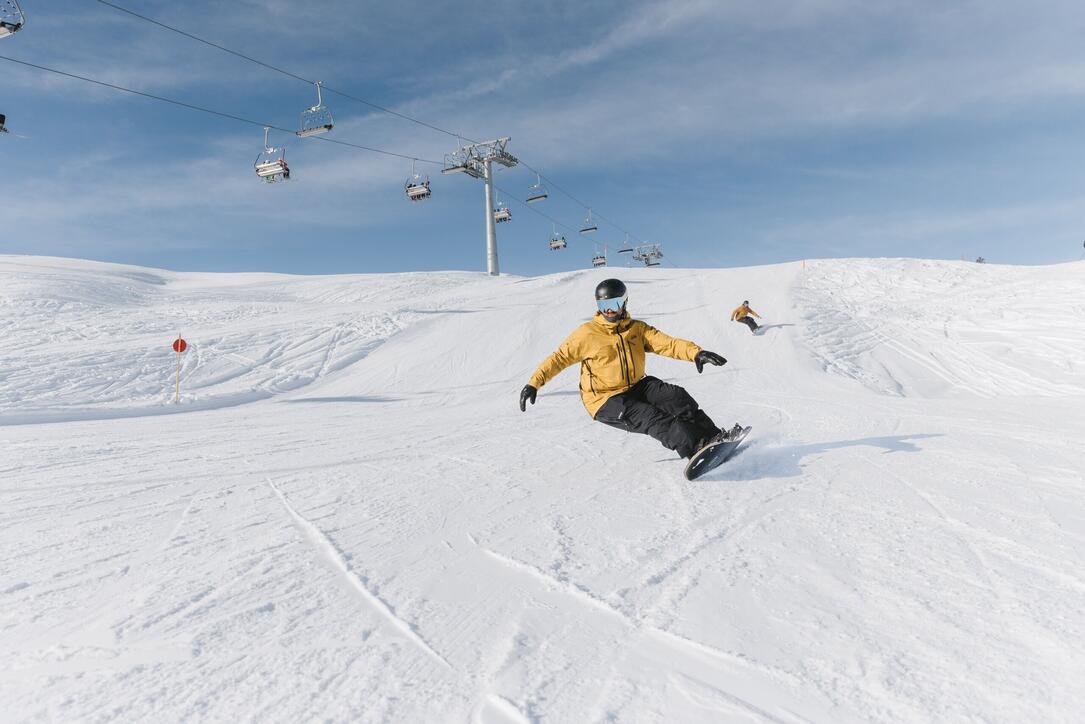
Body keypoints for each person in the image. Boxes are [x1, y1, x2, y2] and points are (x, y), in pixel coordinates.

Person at [519, 278, 743, 461]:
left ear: (624, 302)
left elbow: (667, 344)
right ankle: (696, 449)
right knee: (653, 418)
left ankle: (714, 437)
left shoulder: (637, 329)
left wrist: (696, 353)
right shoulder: (587, 333)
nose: (609, 311)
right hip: (604, 399)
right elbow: (558, 358)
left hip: (636, 385)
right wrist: (533, 383)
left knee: (676, 397)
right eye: (603, 306)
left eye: (614, 304)